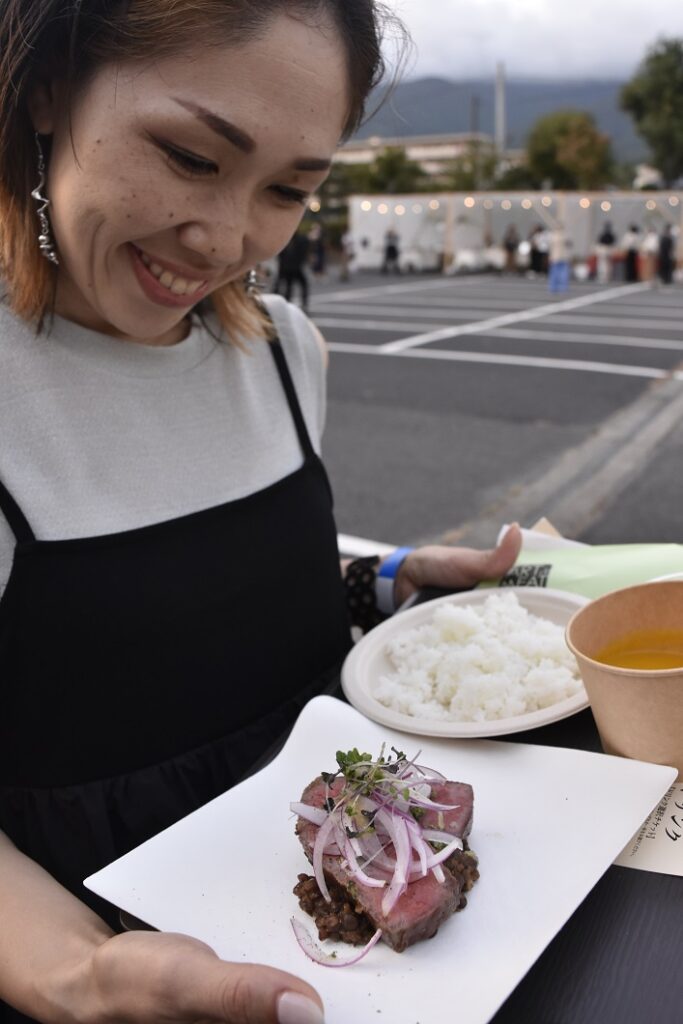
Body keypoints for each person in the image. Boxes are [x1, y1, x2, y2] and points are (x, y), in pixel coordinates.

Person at [0, 3, 522, 1023]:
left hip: (385, 951)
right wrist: (81, 976)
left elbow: (191, 606)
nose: (229, 239)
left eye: (289, 188)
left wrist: (380, 581)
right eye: (192, 155)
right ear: (47, 86)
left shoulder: (283, 350)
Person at [275, 230, 310, 311]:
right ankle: (300, 303)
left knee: (288, 286)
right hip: (294, 267)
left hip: (287, 267)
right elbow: (303, 251)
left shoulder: (284, 240)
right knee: (296, 285)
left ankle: (288, 303)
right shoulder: (299, 240)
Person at [547, 224, 570, 294]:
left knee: (555, 273)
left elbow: (550, 247)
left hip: (556, 257)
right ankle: (561, 287)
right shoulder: (564, 235)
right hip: (561, 257)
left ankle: (554, 287)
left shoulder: (553, 236)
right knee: (562, 273)